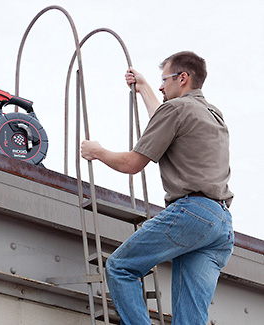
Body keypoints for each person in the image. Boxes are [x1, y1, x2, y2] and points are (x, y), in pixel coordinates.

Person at [81, 51, 234, 325]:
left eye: (164, 80)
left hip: (192, 213)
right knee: (189, 319)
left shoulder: (175, 110)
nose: (161, 86)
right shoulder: (213, 114)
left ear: (183, 78)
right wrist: (143, 87)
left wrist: (98, 151)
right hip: (220, 225)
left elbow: (132, 164)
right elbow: (164, 119)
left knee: (120, 267)